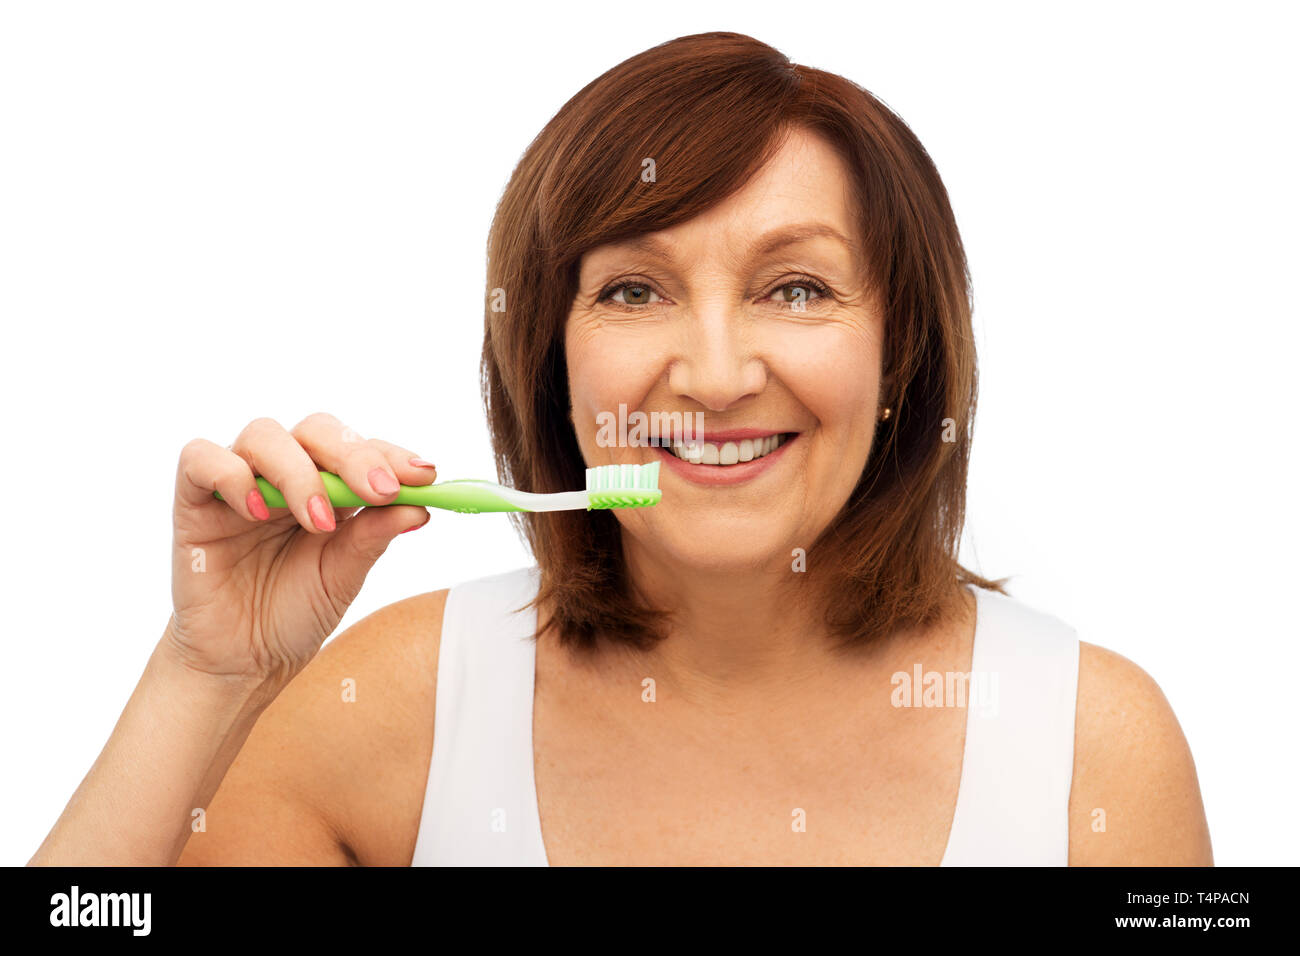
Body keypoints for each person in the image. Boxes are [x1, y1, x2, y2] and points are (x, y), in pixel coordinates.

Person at [31, 32, 1212, 866]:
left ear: (900, 354)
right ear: (551, 358)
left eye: (795, 288)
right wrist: (206, 680)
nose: (709, 373)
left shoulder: (1089, 747)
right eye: (634, 290)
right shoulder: (387, 709)